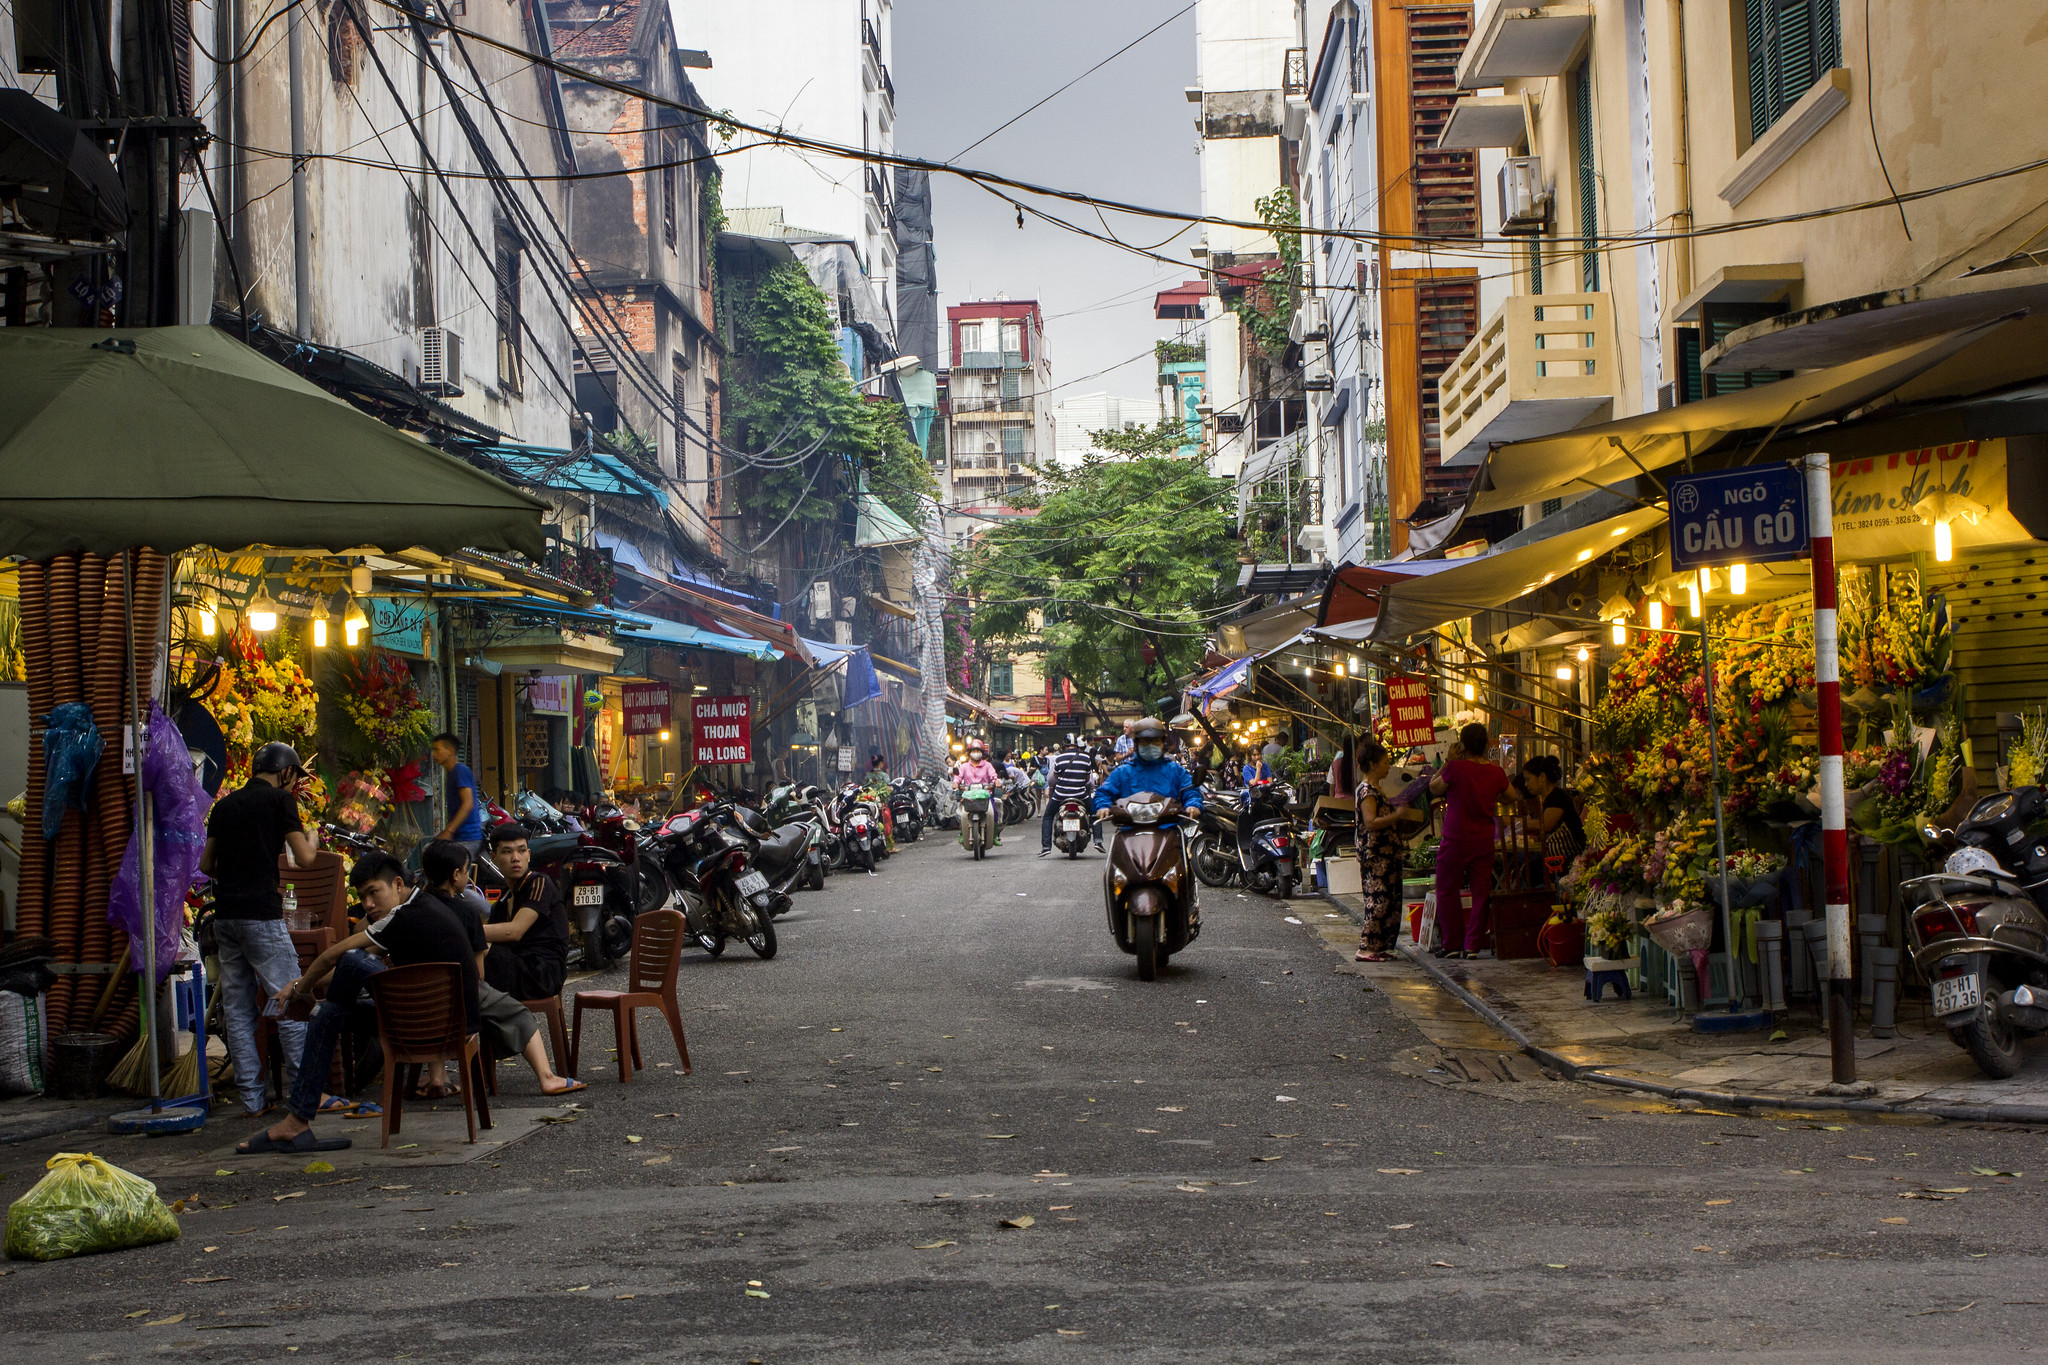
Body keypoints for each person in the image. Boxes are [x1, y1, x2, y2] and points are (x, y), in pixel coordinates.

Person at [235, 843, 585, 1154]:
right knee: (331, 1012)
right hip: (434, 1019)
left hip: (433, 1026)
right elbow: (341, 966)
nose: (368, 904)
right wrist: (302, 986)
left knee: (350, 972)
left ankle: (297, 1118)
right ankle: (299, 1114)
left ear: (398, 885)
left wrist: (300, 990)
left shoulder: (406, 916)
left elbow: (332, 957)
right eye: (363, 897)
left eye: (374, 893)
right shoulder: (421, 908)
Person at [200, 741, 320, 1117]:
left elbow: (206, 865)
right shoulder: (279, 802)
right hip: (262, 917)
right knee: (290, 1000)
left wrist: (236, 868)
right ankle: (302, 1095)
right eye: (293, 777)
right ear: (285, 772)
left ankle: (252, 1100)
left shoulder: (225, 805)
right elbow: (304, 858)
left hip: (226, 918)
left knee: (237, 1010)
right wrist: (312, 839)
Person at [1428, 723, 1511, 959]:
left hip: (1455, 838)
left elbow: (1434, 787)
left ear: (1462, 745)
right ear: (1485, 744)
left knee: (1446, 889)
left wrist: (1448, 761)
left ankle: (1452, 942)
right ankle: (1473, 944)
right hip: (1483, 838)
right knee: (1481, 892)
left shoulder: (1455, 768)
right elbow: (1511, 795)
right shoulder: (1496, 772)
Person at [481, 823, 570, 1000]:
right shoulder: (502, 902)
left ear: (529, 855)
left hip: (541, 974)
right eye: (507, 852)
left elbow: (514, 931)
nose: (516, 858)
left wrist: (463, 930)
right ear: (493, 857)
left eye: (521, 851)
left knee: (476, 947)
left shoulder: (539, 883)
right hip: (517, 968)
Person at [1352, 740, 1405, 961]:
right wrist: (1397, 815)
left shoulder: (1376, 788)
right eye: (1385, 762)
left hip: (1386, 852)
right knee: (1378, 901)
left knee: (1389, 900)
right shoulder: (1367, 790)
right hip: (1376, 854)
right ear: (1373, 764)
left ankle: (1379, 946)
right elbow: (1371, 821)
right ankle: (1366, 948)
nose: (1389, 766)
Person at [1093, 718, 1204, 821]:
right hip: (1129, 831)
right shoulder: (1123, 772)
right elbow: (1104, 792)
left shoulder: (1175, 770)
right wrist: (1103, 806)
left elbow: (1190, 790)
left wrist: (1192, 805)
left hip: (1168, 829)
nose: (1150, 746)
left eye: (1155, 742)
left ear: (1162, 744)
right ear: (1137, 744)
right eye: (1145, 742)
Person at [1519, 755, 1586, 869]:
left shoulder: (1557, 796)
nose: (1526, 785)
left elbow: (1546, 825)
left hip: (1568, 859)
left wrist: (1518, 824)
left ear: (1542, 776)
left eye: (1528, 779)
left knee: (1527, 870)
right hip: (1555, 856)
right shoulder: (1544, 799)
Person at [1041, 737, 1098, 857]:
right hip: (1080, 795)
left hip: (1060, 795)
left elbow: (1055, 777)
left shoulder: (1059, 758)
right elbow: (1088, 779)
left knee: (1048, 816)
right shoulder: (1086, 758)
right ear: (1077, 745)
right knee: (1095, 813)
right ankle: (1098, 841)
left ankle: (1046, 847)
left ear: (1064, 745)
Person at [431, 733, 485, 854]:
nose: (434, 754)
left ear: (450, 750)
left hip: (467, 838)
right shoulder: (452, 773)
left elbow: (468, 803)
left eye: (437, 750)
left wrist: (449, 831)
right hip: (459, 837)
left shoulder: (460, 771)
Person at [954, 742, 1004, 846]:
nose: (976, 753)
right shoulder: (964, 766)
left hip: (985, 795)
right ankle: (962, 834)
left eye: (978, 751)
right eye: (973, 751)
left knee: (993, 812)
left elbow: (993, 776)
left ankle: (994, 836)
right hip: (969, 796)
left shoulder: (987, 765)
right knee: (962, 814)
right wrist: (955, 783)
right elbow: (958, 777)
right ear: (969, 753)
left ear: (982, 753)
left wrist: (996, 781)